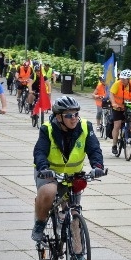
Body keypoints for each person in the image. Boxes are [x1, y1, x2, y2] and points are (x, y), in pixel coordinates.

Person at [31, 96, 105, 247]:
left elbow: (94, 149)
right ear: (59, 117)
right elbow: (39, 151)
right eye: (69, 115)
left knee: (74, 213)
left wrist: (97, 166)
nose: (74, 118)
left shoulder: (85, 126)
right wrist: (44, 168)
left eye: (76, 114)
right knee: (49, 191)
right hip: (49, 173)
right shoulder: (48, 129)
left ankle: (78, 255)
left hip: (73, 176)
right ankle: (39, 223)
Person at [110, 69, 131, 155]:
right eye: (121, 78)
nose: (122, 80)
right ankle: (114, 145)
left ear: (129, 79)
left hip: (130, 106)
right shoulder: (117, 84)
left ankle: (130, 128)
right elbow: (111, 94)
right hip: (118, 108)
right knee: (117, 126)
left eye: (124, 79)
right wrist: (114, 103)